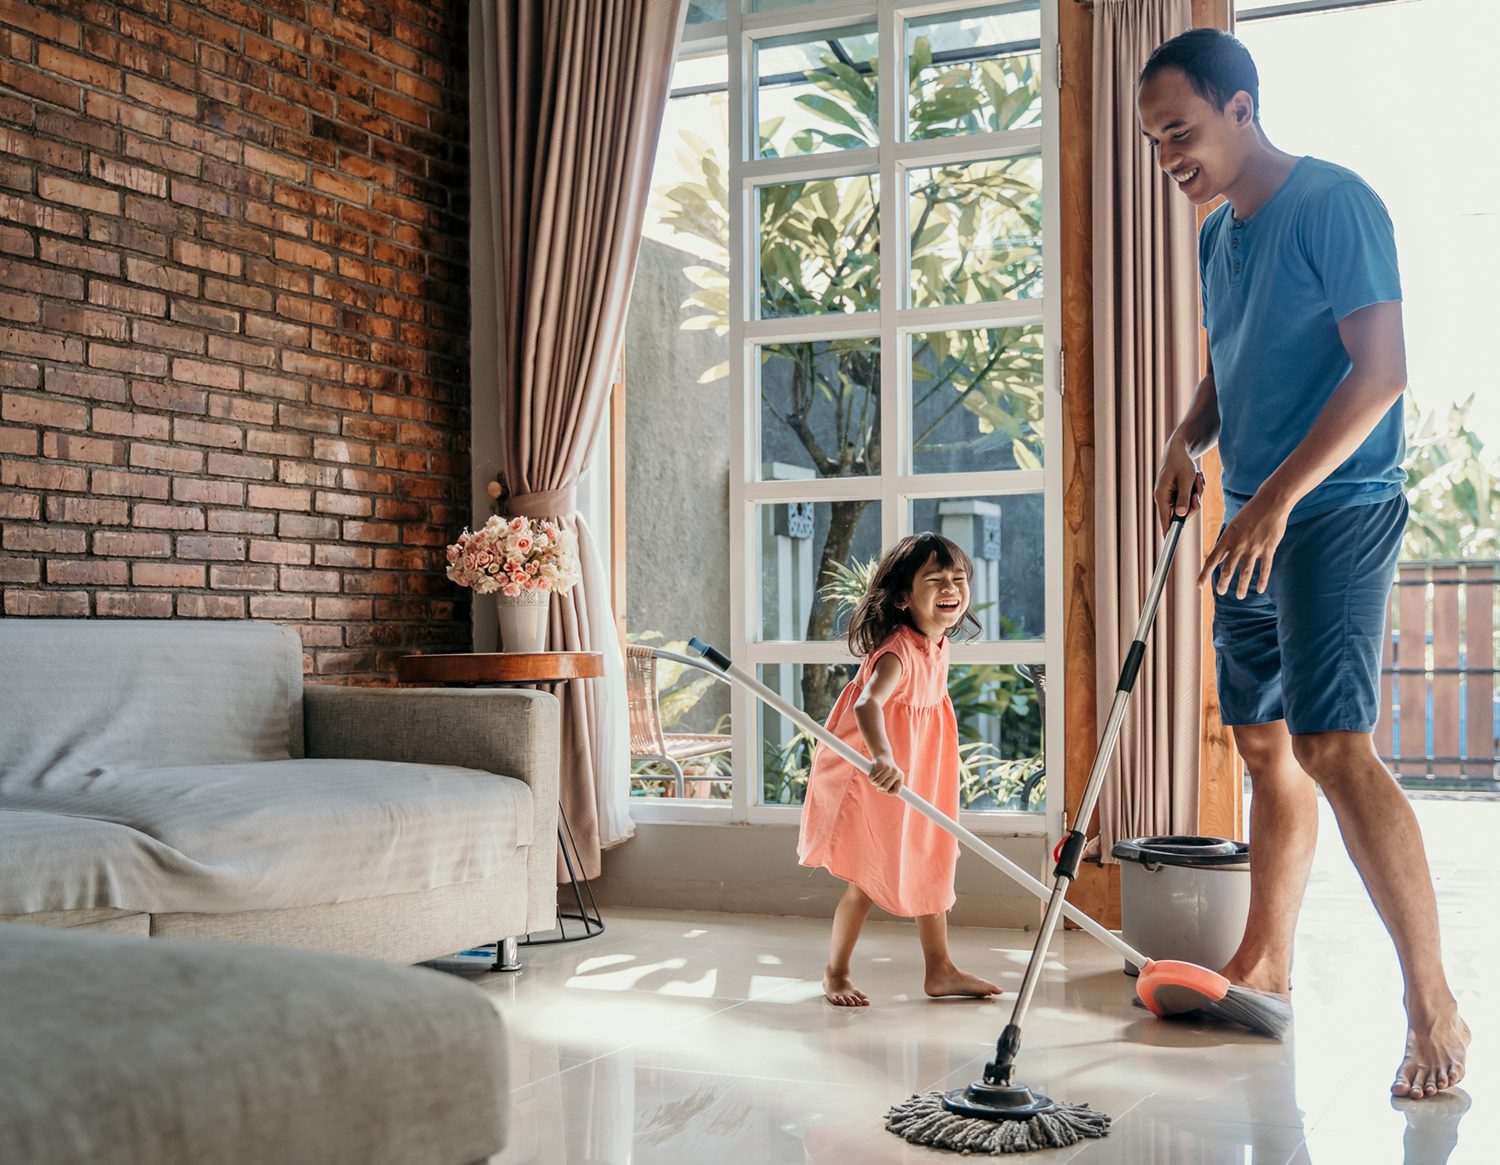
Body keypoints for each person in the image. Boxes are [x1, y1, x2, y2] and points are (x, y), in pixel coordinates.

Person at [1138, 29, 1469, 1099]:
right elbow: (1231, 362)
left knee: (1332, 744)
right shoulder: (1217, 237)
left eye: (1180, 132)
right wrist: (1188, 438)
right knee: (1263, 743)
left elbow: (1383, 371)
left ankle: (1433, 1003)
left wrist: (1277, 498)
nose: (1168, 158)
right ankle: (1266, 965)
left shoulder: (1336, 203)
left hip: (1332, 507)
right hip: (1252, 514)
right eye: (1155, 142)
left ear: (1241, 107)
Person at [797, 532, 1002, 1007]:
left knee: (932, 859)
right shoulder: (898, 651)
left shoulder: (937, 643)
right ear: (903, 598)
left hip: (923, 768)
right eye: (934, 579)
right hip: (876, 772)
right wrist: (884, 757)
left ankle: (940, 970)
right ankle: (836, 972)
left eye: (958, 578)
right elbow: (868, 704)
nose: (950, 587)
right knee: (867, 876)